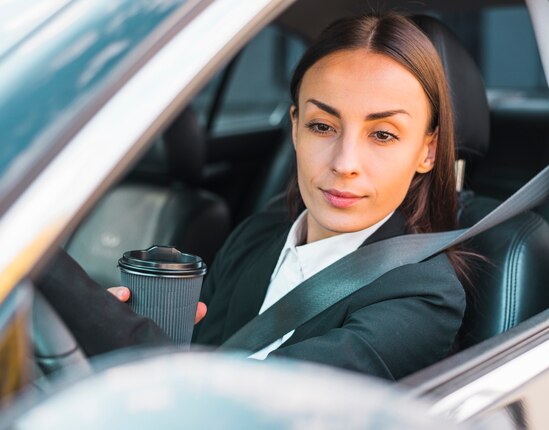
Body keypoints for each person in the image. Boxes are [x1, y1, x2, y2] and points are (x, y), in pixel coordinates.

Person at [37, 13, 466, 381]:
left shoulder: (423, 295)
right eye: (322, 126)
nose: (345, 162)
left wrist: (71, 296)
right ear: (295, 126)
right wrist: (142, 332)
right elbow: (200, 366)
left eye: (383, 134)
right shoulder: (256, 238)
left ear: (427, 151)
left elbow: (237, 403)